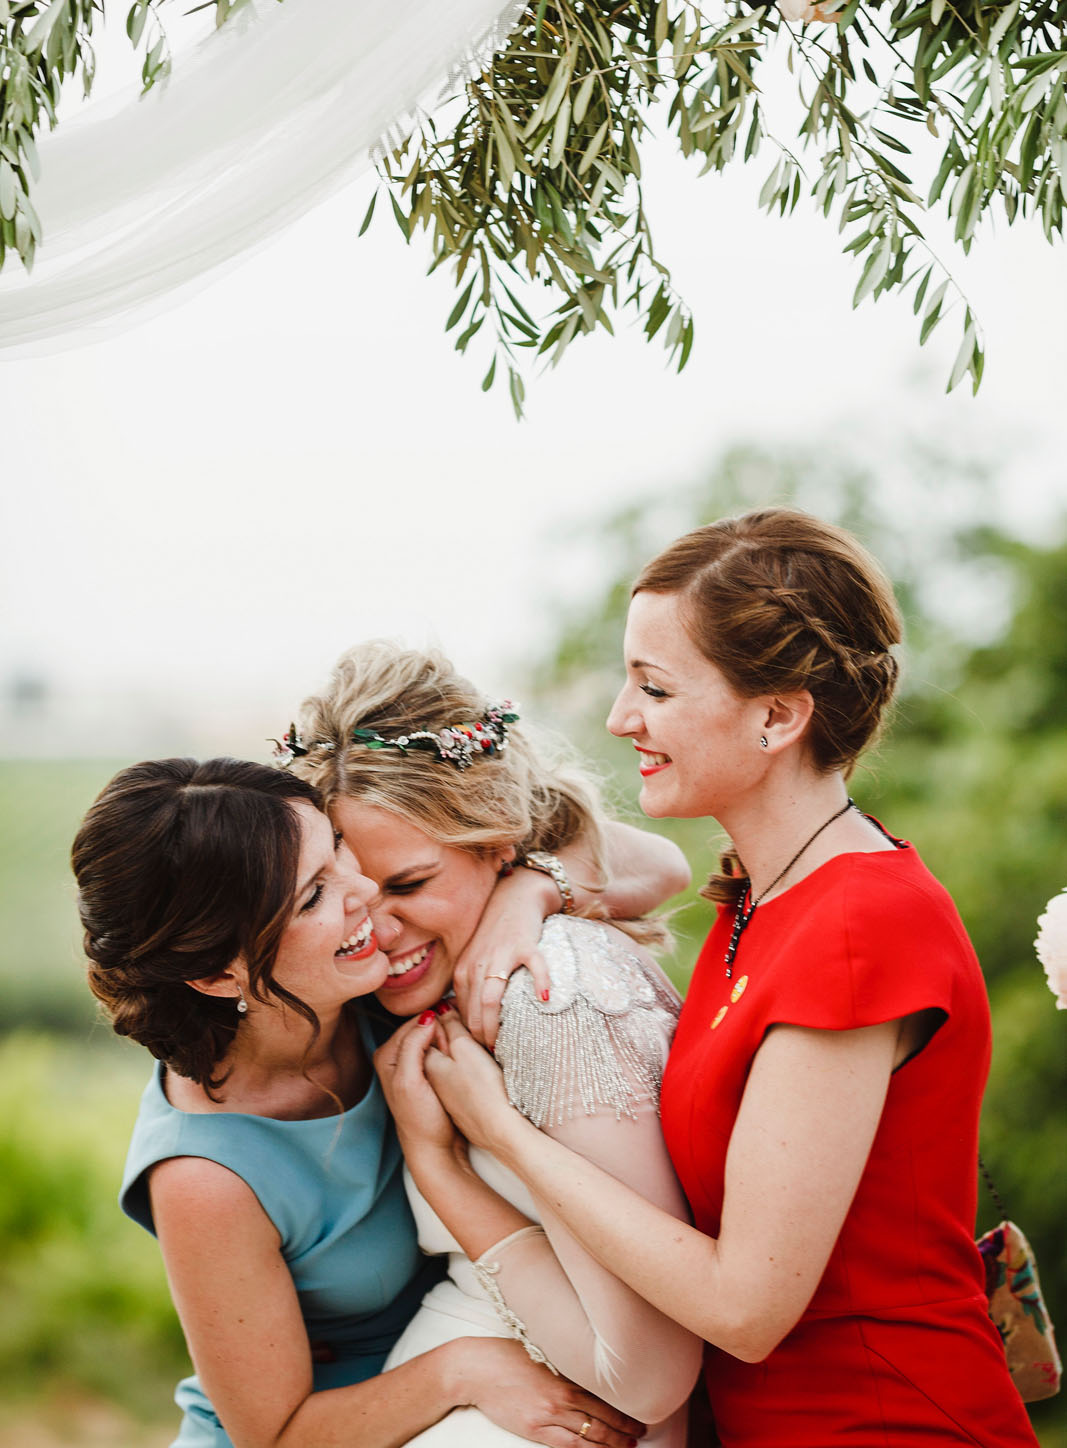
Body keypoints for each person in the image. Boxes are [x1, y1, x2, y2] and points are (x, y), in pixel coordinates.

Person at [406, 509, 1041, 1447]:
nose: (622, 718)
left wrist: (493, 1132)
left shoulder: (860, 926)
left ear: (779, 715)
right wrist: (528, 890)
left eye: (654, 688)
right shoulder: (763, 892)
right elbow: (608, 850)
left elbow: (746, 1306)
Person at [72, 757, 655, 1448]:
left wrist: (525, 894)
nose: (365, 891)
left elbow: (662, 860)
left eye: (336, 851)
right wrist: (461, 1371)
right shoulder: (205, 1176)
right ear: (215, 972)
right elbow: (275, 1434)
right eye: (315, 895)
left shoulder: (372, 986)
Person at [288, 641, 702, 1447]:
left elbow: (645, 1377)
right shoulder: (396, 991)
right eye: (344, 897)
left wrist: (531, 889)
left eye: (409, 886)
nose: (377, 931)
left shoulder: (547, 1001)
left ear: (497, 841)